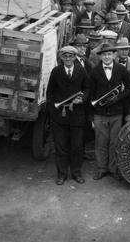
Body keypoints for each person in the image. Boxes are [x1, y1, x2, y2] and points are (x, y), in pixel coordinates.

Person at [88, 45, 130, 181]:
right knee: (101, 142)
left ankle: (113, 169)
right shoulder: (95, 71)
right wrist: (91, 116)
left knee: (115, 142)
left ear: (114, 55)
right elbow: (90, 93)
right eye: (104, 55)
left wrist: (118, 97)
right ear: (100, 57)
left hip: (116, 112)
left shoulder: (121, 69)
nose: (107, 57)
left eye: (109, 54)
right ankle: (102, 169)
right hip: (100, 113)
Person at [46, 46, 89, 185]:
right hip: (60, 115)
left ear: (75, 57)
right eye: (65, 57)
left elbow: (87, 88)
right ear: (62, 58)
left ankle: (76, 173)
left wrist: (82, 98)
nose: (68, 59)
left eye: (71, 56)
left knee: (77, 146)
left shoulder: (81, 71)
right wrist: (53, 111)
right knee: (61, 147)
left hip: (77, 115)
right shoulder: (56, 71)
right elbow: (50, 92)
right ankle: (62, 174)